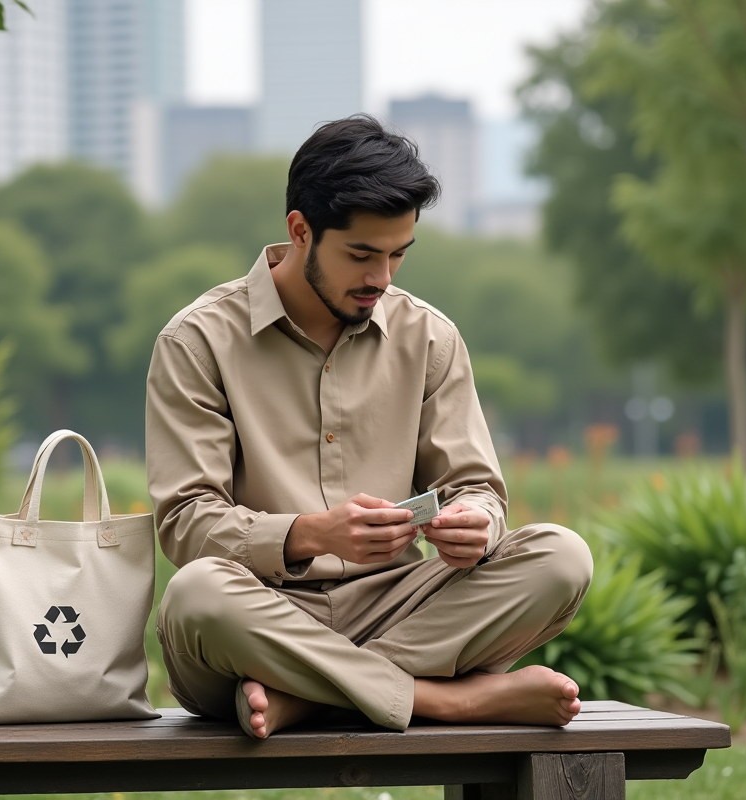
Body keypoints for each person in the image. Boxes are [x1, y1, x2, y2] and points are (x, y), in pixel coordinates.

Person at [146, 115, 593, 739]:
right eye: (361, 255)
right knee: (196, 596)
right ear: (300, 231)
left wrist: (477, 525)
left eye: (397, 256)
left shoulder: (430, 337)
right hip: (260, 614)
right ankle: (449, 702)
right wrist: (313, 533)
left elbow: (479, 489)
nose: (381, 278)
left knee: (561, 559)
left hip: (402, 608)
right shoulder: (197, 342)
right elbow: (186, 524)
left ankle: (305, 698)